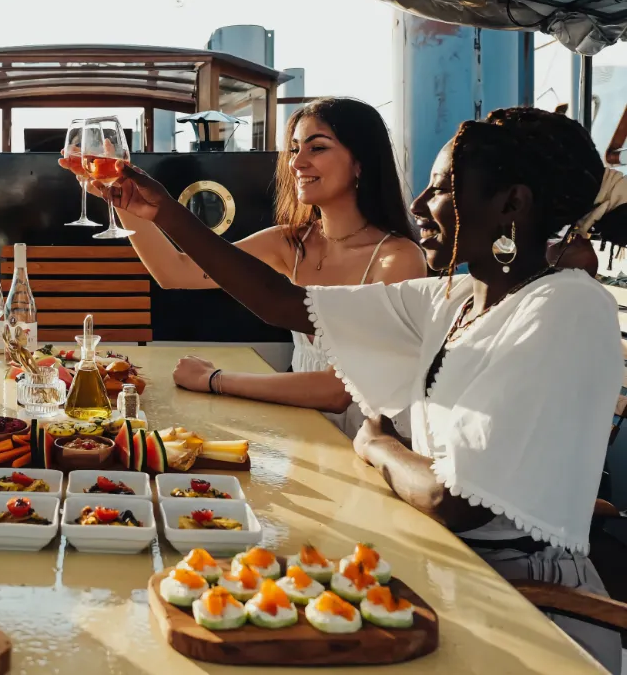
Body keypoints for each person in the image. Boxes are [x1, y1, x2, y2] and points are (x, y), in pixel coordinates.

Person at [81, 106, 625, 672]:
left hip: (520, 605)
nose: (419, 207)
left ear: (512, 204)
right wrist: (162, 210)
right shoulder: (456, 296)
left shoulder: (566, 306)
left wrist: (377, 446)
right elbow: (283, 302)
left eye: (442, 190)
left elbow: (452, 500)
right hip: (433, 560)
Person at [92, 98, 426, 437]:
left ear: (361, 163)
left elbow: (338, 391)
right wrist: (125, 202)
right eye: (294, 149)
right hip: (306, 435)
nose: (297, 162)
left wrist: (214, 379)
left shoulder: (397, 259)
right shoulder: (290, 243)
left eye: (317, 148)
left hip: (373, 448)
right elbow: (174, 272)